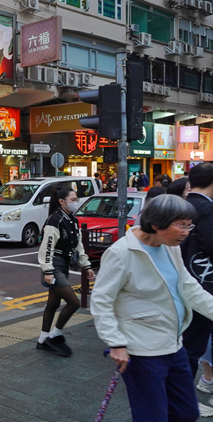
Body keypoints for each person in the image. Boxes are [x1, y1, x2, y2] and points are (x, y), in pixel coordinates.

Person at [91, 194, 213, 422]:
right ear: (156, 224)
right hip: (142, 352)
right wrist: (116, 342)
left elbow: (189, 289)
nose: (187, 231)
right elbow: (101, 301)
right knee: (152, 417)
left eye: (189, 225)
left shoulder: (170, 247)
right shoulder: (121, 253)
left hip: (174, 345)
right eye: (181, 225)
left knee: (186, 412)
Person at [37, 187, 94, 357]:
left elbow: (78, 245)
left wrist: (87, 265)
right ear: (62, 201)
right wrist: (48, 270)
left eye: (77, 199)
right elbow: (46, 247)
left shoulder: (72, 220)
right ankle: (54, 335)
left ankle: (42, 340)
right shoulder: (54, 220)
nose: (76, 202)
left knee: (53, 304)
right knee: (74, 302)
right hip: (54, 266)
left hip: (64, 264)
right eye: (73, 199)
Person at [179, 163, 213, 415]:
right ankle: (184, 399)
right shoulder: (207, 209)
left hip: (177, 286)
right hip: (200, 286)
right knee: (192, 348)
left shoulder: (180, 205)